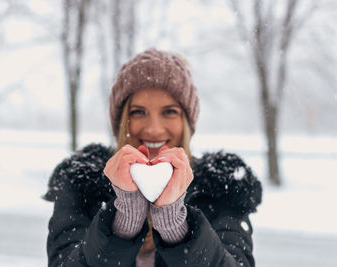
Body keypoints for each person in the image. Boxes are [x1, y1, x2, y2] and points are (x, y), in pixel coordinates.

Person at [44, 48, 262, 267]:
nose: (154, 129)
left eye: (169, 112)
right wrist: (124, 221)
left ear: (186, 122)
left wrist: (176, 227)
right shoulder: (82, 183)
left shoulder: (220, 188)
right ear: (122, 121)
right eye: (138, 112)